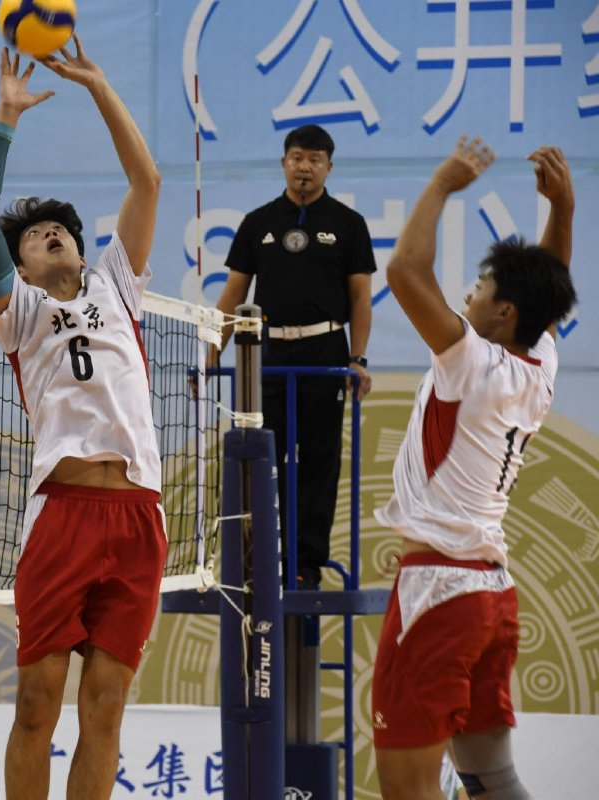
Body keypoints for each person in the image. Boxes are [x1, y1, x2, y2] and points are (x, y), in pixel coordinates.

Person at [0, 40, 164, 799]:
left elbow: (146, 180)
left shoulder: (117, 285)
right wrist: (6, 118)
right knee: (36, 705)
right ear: (19, 267)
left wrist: (99, 86)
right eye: (36, 235)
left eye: (62, 230)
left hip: (138, 515)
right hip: (63, 514)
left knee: (105, 708)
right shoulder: (19, 312)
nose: (52, 234)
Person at [372, 138, 576, 800]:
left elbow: (405, 270)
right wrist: (564, 209)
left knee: (407, 789)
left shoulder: (472, 361)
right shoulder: (539, 364)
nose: (468, 294)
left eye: (480, 289)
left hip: (439, 590)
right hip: (492, 594)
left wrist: (441, 182)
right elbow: (547, 293)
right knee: (490, 780)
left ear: (504, 315)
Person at [210, 124, 377, 588]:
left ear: (329, 167)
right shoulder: (258, 222)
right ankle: (264, 553)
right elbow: (233, 294)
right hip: (269, 354)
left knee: (321, 458)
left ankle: (306, 563)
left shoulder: (349, 224)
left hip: (325, 352)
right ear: (284, 162)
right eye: (298, 157)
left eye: (315, 159)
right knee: (266, 455)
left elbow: (361, 299)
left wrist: (359, 359)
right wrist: (211, 351)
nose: (305, 167)